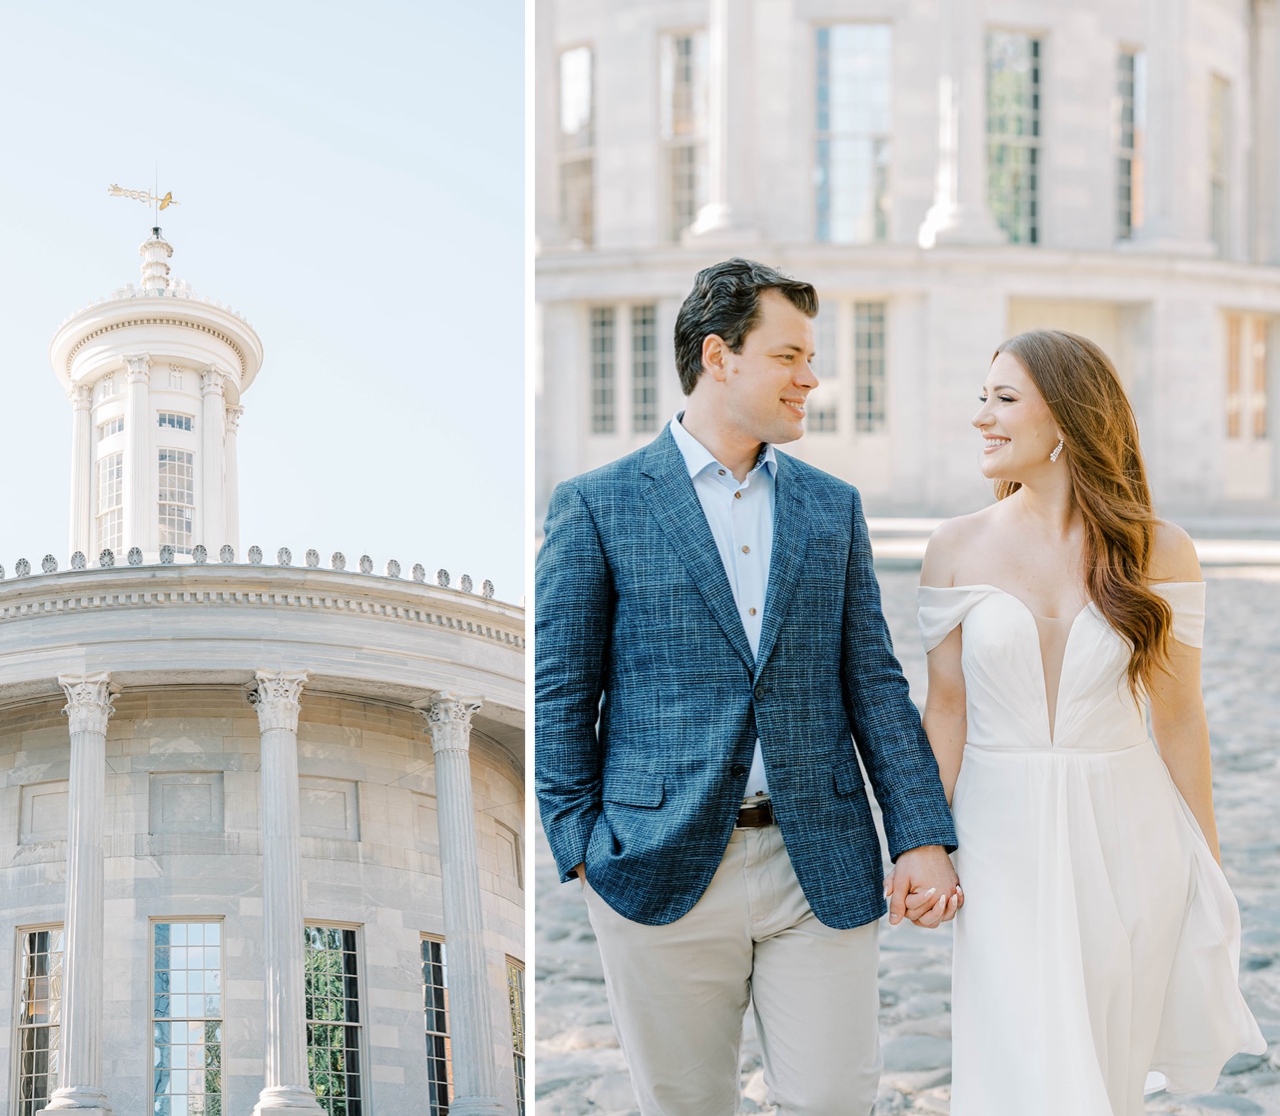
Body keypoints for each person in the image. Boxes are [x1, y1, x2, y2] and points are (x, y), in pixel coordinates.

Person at [535, 257, 962, 1116]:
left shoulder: (830, 507)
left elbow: (873, 683)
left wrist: (920, 834)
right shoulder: (597, 504)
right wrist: (581, 843)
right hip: (658, 869)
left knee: (836, 1102)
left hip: (821, 867)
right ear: (720, 356)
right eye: (790, 355)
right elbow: (559, 690)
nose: (812, 377)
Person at [910, 329, 1266, 1115]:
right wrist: (922, 842)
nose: (982, 418)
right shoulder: (954, 548)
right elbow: (946, 710)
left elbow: (1178, 718)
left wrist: (1203, 867)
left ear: (1066, 422)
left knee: (1101, 1067)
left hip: (1128, 839)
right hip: (999, 837)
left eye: (1004, 399)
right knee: (1013, 1057)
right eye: (983, 397)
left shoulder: (1159, 551)